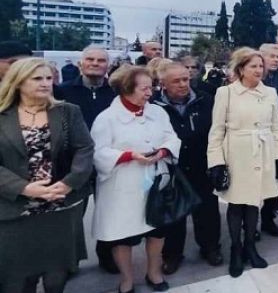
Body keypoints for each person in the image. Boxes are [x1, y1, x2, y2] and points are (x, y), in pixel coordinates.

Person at [0, 58, 94, 293]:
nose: (45, 83)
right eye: (37, 78)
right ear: (18, 82)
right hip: (15, 207)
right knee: (17, 279)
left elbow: (84, 148)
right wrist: (23, 187)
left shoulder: (67, 112)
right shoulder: (3, 114)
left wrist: (69, 183)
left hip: (60, 204)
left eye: (49, 78)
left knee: (56, 276)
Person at [92, 65, 181, 293]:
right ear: (126, 88)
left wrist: (162, 152)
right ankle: (127, 279)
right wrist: (129, 155)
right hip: (122, 185)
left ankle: (153, 272)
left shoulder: (158, 112)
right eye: (144, 89)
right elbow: (98, 153)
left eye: (151, 88)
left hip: (155, 180)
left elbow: (172, 138)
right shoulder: (107, 118)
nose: (150, 93)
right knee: (123, 235)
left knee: (156, 231)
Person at [207, 48, 278, 278]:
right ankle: (236, 248)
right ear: (241, 69)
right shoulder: (226, 93)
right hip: (236, 153)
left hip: (262, 151)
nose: (259, 70)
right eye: (253, 66)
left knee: (254, 202)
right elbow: (216, 131)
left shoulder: (270, 93)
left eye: (261, 66)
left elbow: (276, 127)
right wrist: (216, 162)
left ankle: (250, 245)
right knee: (236, 203)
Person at [53, 46, 119, 273]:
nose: (95, 63)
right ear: (81, 63)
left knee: (109, 212)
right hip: (73, 165)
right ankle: (67, 262)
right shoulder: (62, 92)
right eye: (90, 59)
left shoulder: (115, 93)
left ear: (107, 66)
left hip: (107, 163)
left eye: (101, 60)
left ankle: (108, 256)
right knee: (71, 217)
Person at [153, 62, 222, 274]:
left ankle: (210, 247)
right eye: (177, 81)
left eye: (186, 79)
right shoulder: (154, 106)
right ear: (163, 83)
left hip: (202, 166)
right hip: (173, 169)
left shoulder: (205, 100)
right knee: (174, 214)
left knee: (207, 210)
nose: (184, 84)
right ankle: (172, 254)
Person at [258, 43, 278, 237]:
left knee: (277, 178)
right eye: (272, 56)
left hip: (277, 139)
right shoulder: (249, 78)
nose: (276, 59)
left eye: (277, 56)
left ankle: (268, 218)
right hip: (254, 140)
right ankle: (249, 225)